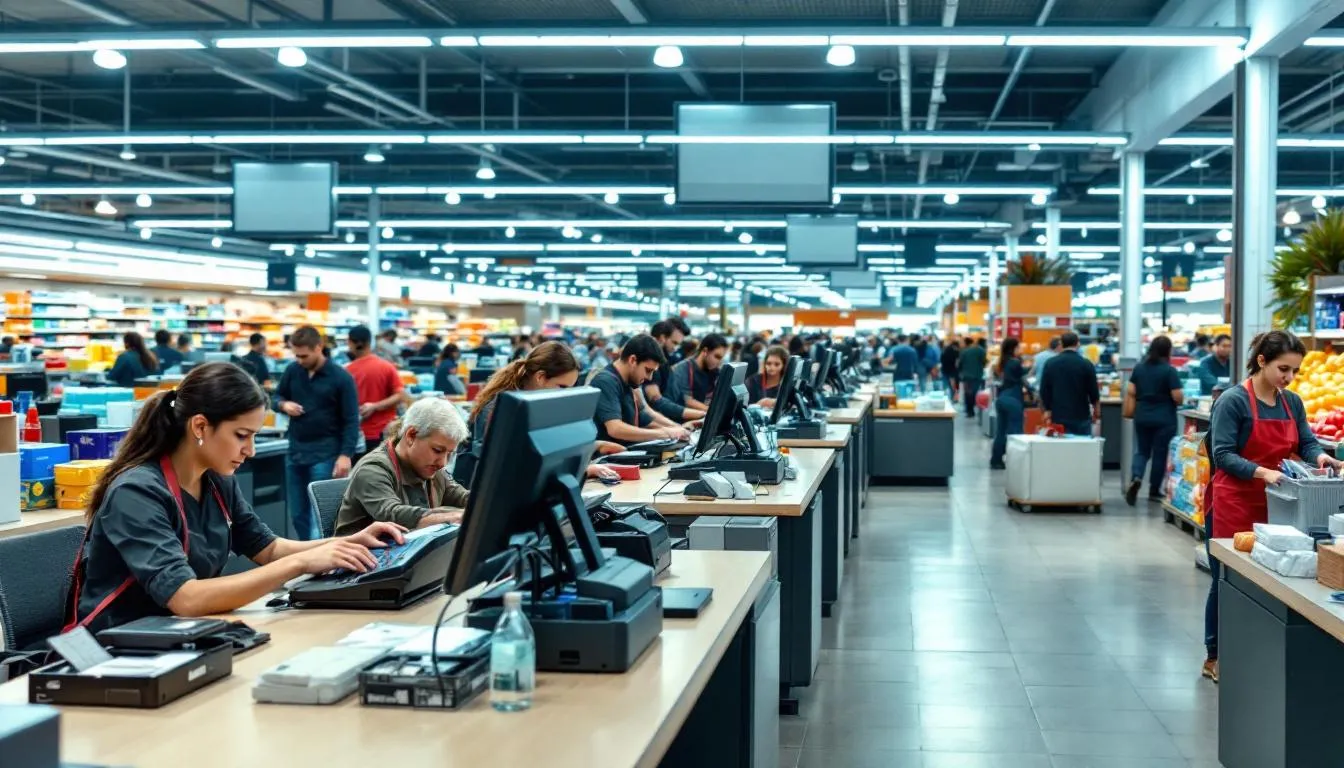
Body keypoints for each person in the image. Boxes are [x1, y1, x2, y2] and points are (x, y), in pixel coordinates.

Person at [64, 362, 404, 634]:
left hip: (180, 635)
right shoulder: (137, 492)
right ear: (200, 427)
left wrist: (344, 543)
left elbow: (268, 549)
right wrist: (300, 563)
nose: (251, 450)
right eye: (241, 435)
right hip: (117, 649)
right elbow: (185, 598)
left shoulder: (216, 481)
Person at [1202, 330, 1343, 683]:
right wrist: (1261, 471)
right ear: (1261, 361)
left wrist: (1322, 456)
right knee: (1226, 581)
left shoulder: (1291, 402)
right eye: (1283, 369)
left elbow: (1306, 442)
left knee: (1270, 580)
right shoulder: (1233, 401)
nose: (1288, 378)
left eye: (1294, 371)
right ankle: (1215, 654)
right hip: (1234, 500)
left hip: (1278, 504)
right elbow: (1222, 454)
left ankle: (1254, 654)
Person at [465, 341, 622, 481]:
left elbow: (551, 450)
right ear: (540, 377)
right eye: (562, 387)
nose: (565, 394)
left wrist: (594, 446)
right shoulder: (500, 411)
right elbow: (512, 467)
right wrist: (582, 470)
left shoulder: (539, 406)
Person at [334, 398, 470, 536]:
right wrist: (456, 516)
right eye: (437, 450)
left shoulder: (433, 469)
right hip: (361, 554)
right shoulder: (372, 469)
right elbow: (393, 514)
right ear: (411, 435)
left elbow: (464, 497)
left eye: (449, 454)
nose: (443, 463)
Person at [274, 325, 360, 540]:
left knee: (319, 517)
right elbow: (275, 397)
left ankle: (321, 564)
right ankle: (307, 557)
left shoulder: (341, 378)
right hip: (295, 452)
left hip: (326, 455)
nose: (300, 360)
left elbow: (351, 420)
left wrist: (345, 455)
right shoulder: (293, 371)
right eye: (296, 355)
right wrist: (284, 405)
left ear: (319, 347)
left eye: (304, 355)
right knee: (297, 515)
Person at [591, 334, 691, 445]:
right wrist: (665, 433)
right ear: (633, 360)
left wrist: (679, 429)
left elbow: (646, 419)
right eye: (648, 370)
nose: (650, 377)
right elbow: (615, 429)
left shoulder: (628, 383)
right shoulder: (606, 381)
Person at [1125, 335, 1185, 506]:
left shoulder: (1139, 368)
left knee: (1142, 451)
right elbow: (1177, 396)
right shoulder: (1168, 370)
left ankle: (1136, 477)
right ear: (1167, 350)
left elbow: (1131, 390)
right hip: (1164, 417)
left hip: (1142, 415)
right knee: (1159, 454)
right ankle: (1153, 491)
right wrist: (1179, 399)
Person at [346, 325, 405, 449]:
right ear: (369, 342)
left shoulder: (346, 371)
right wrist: (375, 406)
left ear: (350, 342)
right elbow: (400, 395)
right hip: (385, 433)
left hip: (356, 436)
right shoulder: (387, 367)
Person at [1039, 331, 1100, 436]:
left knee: (1060, 449)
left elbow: (1044, 390)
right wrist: (1096, 411)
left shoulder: (1050, 363)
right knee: (1081, 448)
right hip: (1081, 415)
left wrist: (1047, 410)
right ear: (1078, 344)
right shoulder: (1086, 364)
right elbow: (1093, 391)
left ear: (1061, 344)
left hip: (1058, 415)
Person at [645, 318, 704, 424]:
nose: (675, 348)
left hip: (672, 421)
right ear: (663, 338)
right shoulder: (652, 361)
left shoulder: (665, 359)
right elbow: (655, 399)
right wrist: (696, 414)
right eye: (674, 342)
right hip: (663, 422)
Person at [990, 338, 1030, 469]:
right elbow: (1023, 377)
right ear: (1014, 348)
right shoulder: (1015, 362)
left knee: (1001, 431)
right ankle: (1015, 463)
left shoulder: (1002, 362)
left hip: (1002, 398)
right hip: (1013, 399)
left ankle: (996, 460)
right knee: (1015, 432)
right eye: (1019, 347)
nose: (1021, 350)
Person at [667, 333, 728, 412]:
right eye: (717, 357)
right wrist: (714, 412)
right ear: (705, 351)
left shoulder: (714, 371)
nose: (719, 362)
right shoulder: (682, 369)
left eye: (721, 358)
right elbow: (688, 401)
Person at [957, 336, 986, 417]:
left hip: (966, 376)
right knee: (974, 392)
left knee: (968, 393)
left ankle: (969, 410)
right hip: (977, 375)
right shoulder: (981, 350)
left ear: (966, 343)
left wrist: (960, 372)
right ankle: (972, 409)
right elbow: (984, 362)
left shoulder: (964, 352)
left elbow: (959, 364)